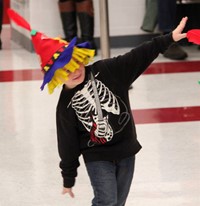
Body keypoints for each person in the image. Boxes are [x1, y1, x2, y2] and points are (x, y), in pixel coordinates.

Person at [8, 8, 189, 206]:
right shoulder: (65, 106)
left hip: (126, 149)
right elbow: (67, 143)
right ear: (57, 77)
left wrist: (168, 38)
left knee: (119, 201)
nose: (74, 71)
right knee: (106, 201)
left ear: (79, 56)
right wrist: (68, 176)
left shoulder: (108, 70)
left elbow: (138, 55)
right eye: (65, 71)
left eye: (74, 63)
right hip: (97, 156)